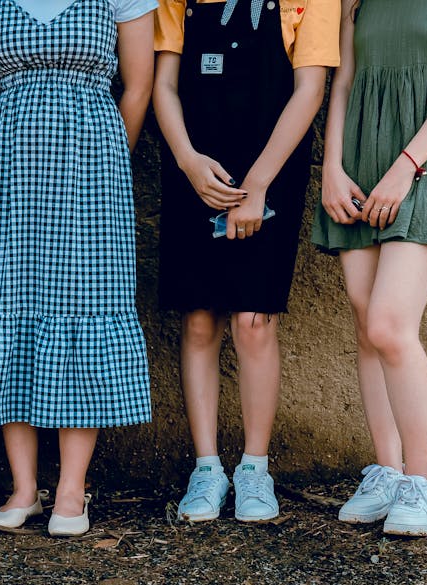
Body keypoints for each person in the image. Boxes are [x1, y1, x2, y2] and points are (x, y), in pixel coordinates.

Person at [0, 0, 156, 537]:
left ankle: (72, 490)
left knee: (86, 307)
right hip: (12, 167)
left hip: (93, 170)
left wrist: (105, 163)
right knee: (7, 303)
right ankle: (23, 488)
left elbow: (139, 86)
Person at [152, 0, 338, 523]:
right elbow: (164, 84)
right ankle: (207, 467)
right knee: (198, 319)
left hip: (272, 169)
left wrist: (259, 184)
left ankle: (255, 468)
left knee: (254, 321)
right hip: (196, 171)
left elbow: (310, 89)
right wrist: (188, 161)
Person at [313, 0, 427, 536]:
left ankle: (421, 482)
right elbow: (342, 82)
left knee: (389, 324)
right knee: (366, 321)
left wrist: (405, 169)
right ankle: (387, 474)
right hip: (362, 155)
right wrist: (331, 167)